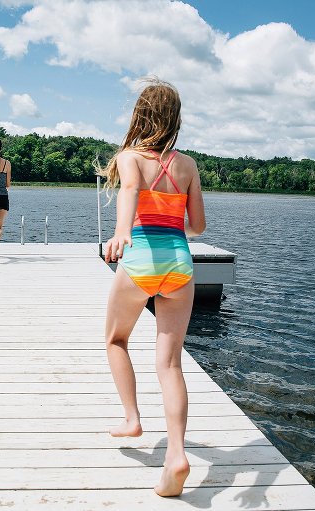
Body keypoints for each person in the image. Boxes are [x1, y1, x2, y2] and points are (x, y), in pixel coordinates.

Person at [102, 79, 206, 497]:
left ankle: (132, 418)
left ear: (140, 115)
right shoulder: (188, 165)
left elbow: (129, 189)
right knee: (171, 365)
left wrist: (122, 232)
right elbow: (197, 227)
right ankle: (176, 453)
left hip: (142, 258)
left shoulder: (130, 158)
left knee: (116, 339)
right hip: (180, 265)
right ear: (175, 118)